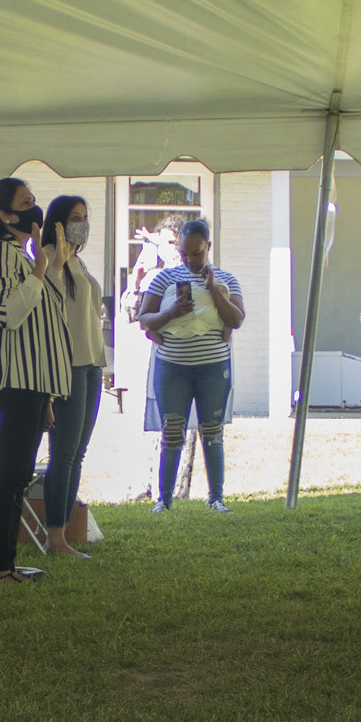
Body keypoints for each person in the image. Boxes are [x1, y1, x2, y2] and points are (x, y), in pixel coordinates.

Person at [0, 177, 71, 579]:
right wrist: (39, 269)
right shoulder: (1, 252)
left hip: (34, 382)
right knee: (10, 475)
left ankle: (7, 564)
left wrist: (50, 266)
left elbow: (46, 316)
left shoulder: (21, 255)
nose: (35, 209)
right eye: (26, 202)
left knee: (18, 475)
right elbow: (8, 314)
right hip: (17, 380)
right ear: (5, 215)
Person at [136, 217, 243, 511]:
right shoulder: (164, 279)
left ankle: (216, 498)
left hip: (213, 368)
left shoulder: (227, 279)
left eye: (196, 253)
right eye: (184, 254)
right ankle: (164, 500)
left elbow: (236, 319)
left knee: (212, 431)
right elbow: (144, 319)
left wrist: (213, 290)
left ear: (208, 246)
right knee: (172, 431)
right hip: (172, 368)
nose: (190, 260)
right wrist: (171, 312)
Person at [36, 193, 105, 557]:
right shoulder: (49, 257)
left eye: (85, 217)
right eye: (75, 217)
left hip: (91, 364)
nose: (82, 224)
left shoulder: (78, 260)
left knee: (77, 453)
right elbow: (50, 306)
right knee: (62, 454)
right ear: (58, 223)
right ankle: (54, 537)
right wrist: (59, 263)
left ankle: (62, 531)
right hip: (68, 367)